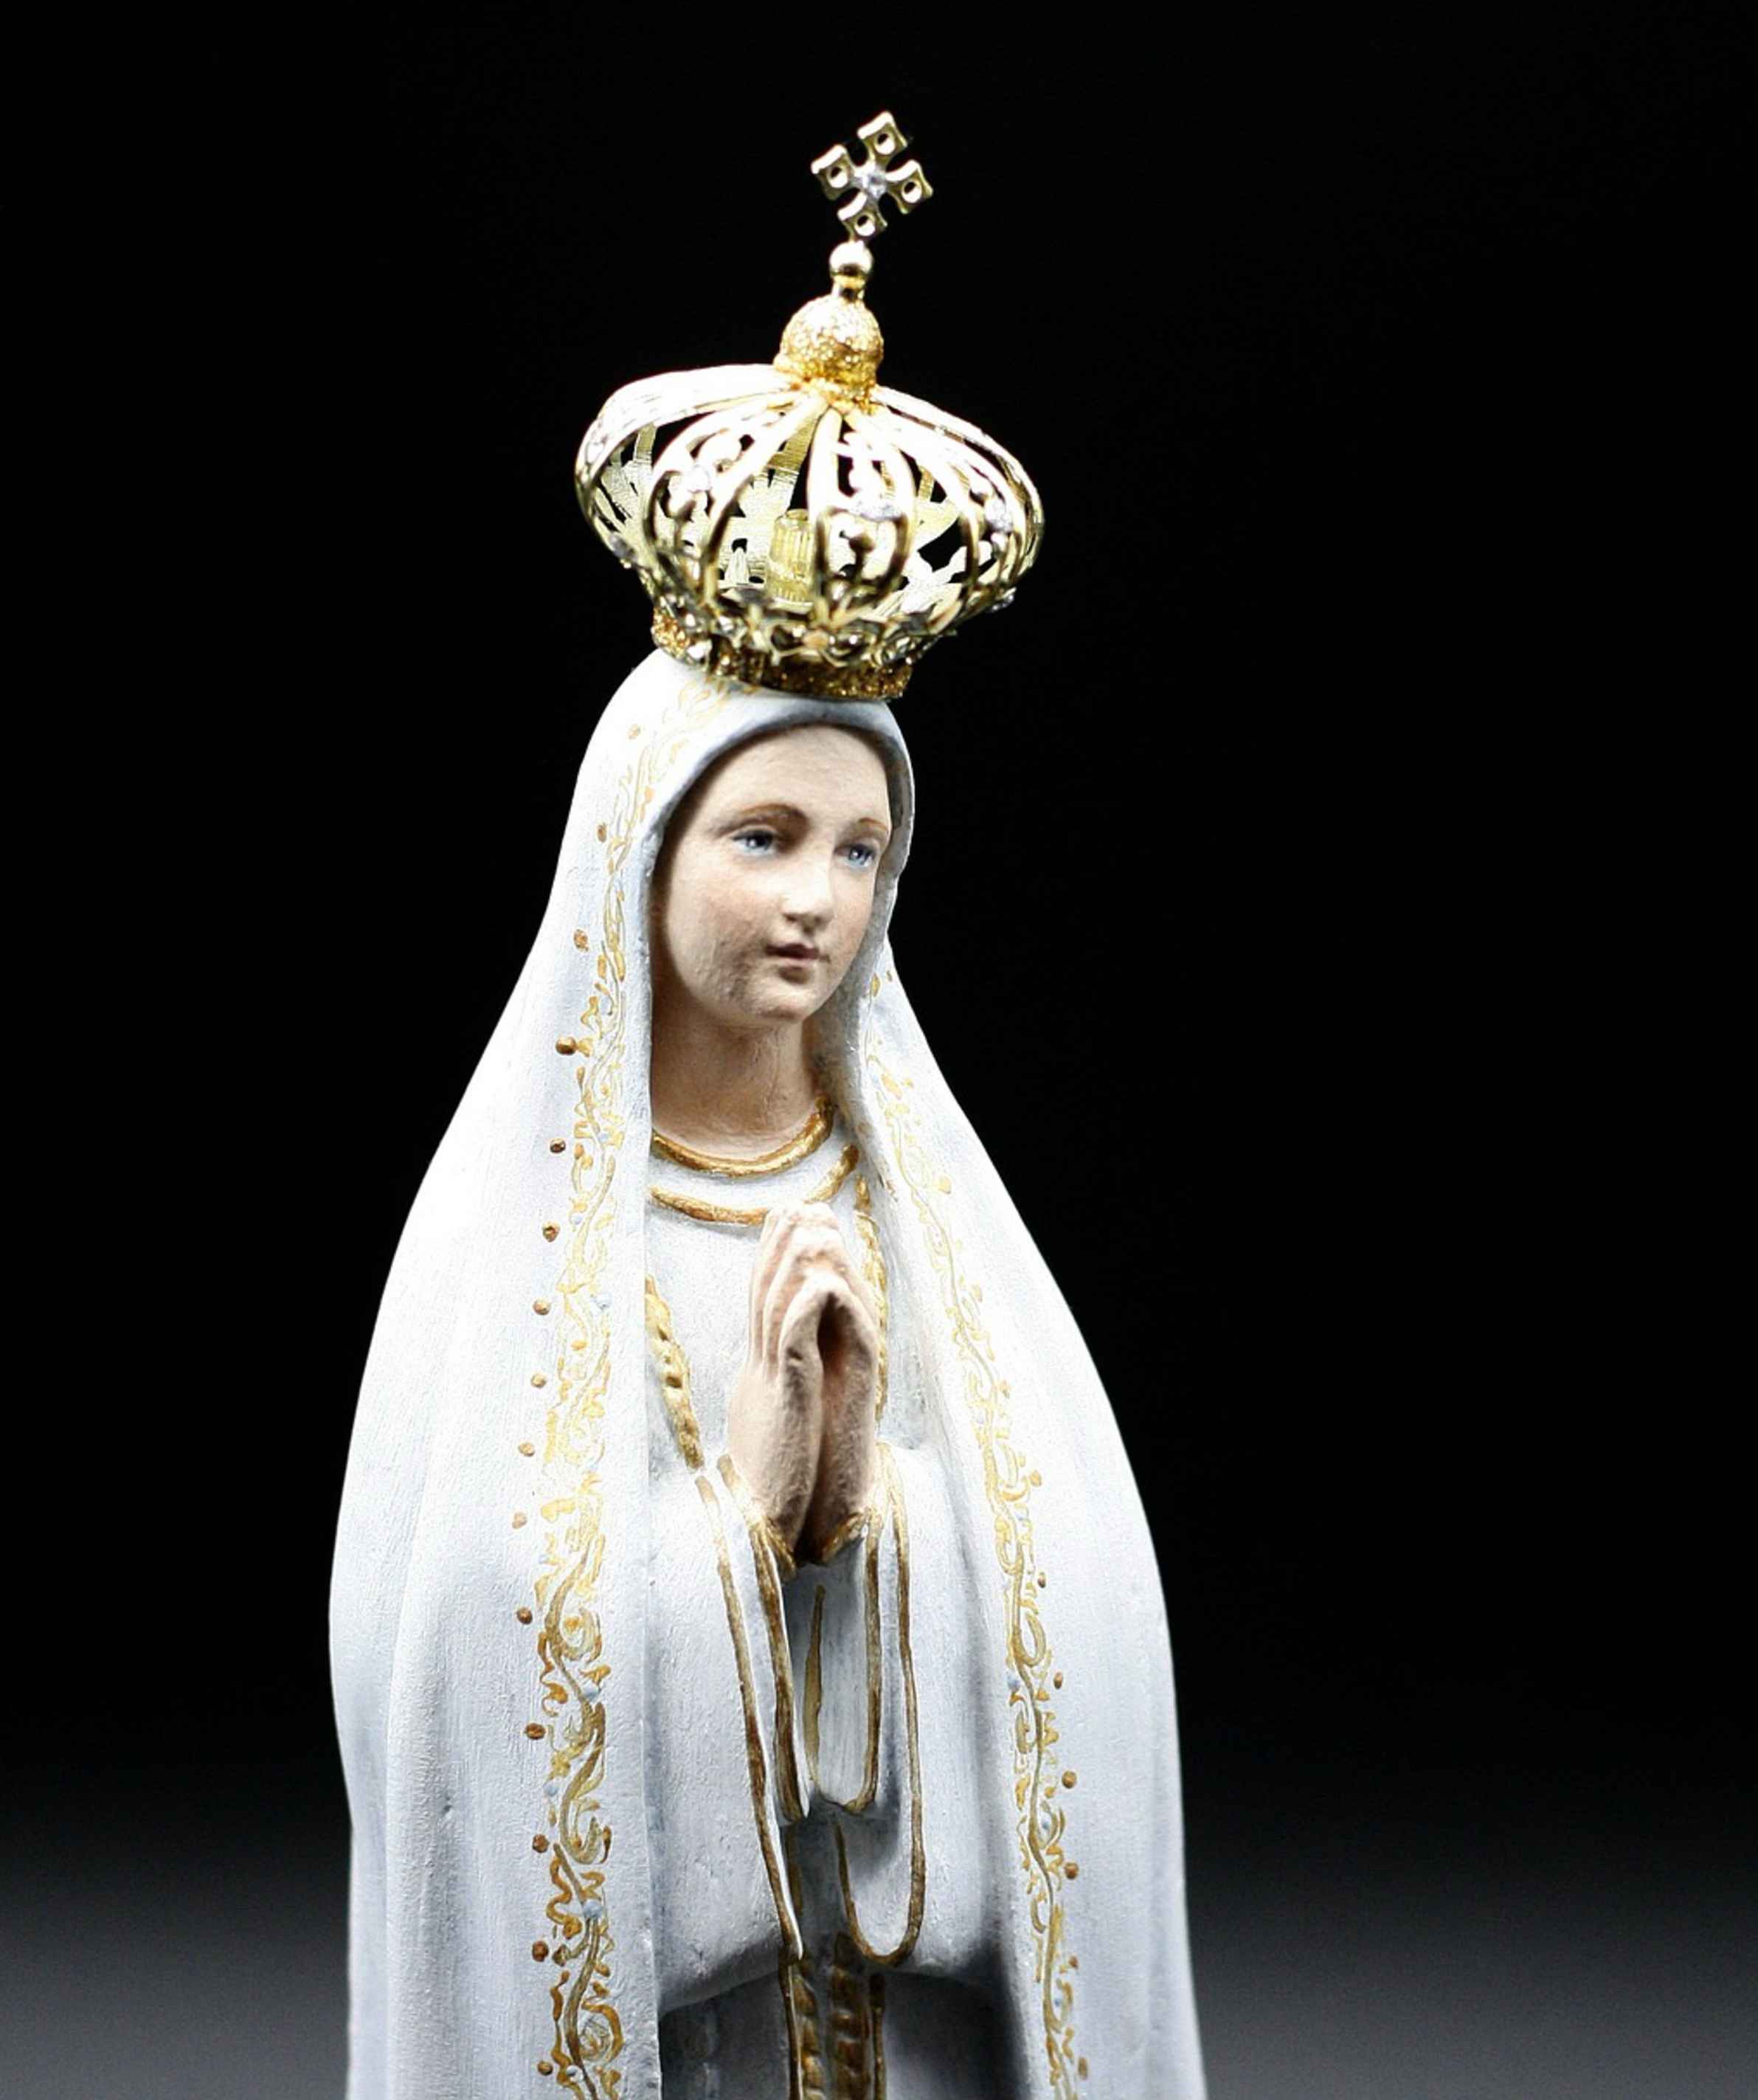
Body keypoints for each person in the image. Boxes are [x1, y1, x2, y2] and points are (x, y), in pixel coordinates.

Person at [332, 652, 1206, 2099]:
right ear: (639, 851)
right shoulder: (514, 1242)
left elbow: (1083, 1615)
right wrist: (740, 1521)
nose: (819, 899)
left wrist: (867, 1521)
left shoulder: (928, 1216)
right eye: (764, 838)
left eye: (860, 851)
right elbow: (457, 1670)